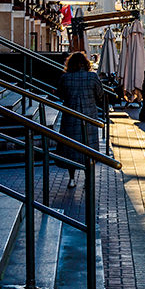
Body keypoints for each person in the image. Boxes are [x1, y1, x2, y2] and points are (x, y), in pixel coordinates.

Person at [55, 52, 103, 189]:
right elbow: (100, 94)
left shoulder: (66, 77)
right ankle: (88, 179)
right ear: (86, 63)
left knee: (71, 148)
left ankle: (71, 179)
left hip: (71, 116)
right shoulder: (92, 77)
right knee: (88, 149)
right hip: (89, 117)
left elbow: (60, 94)